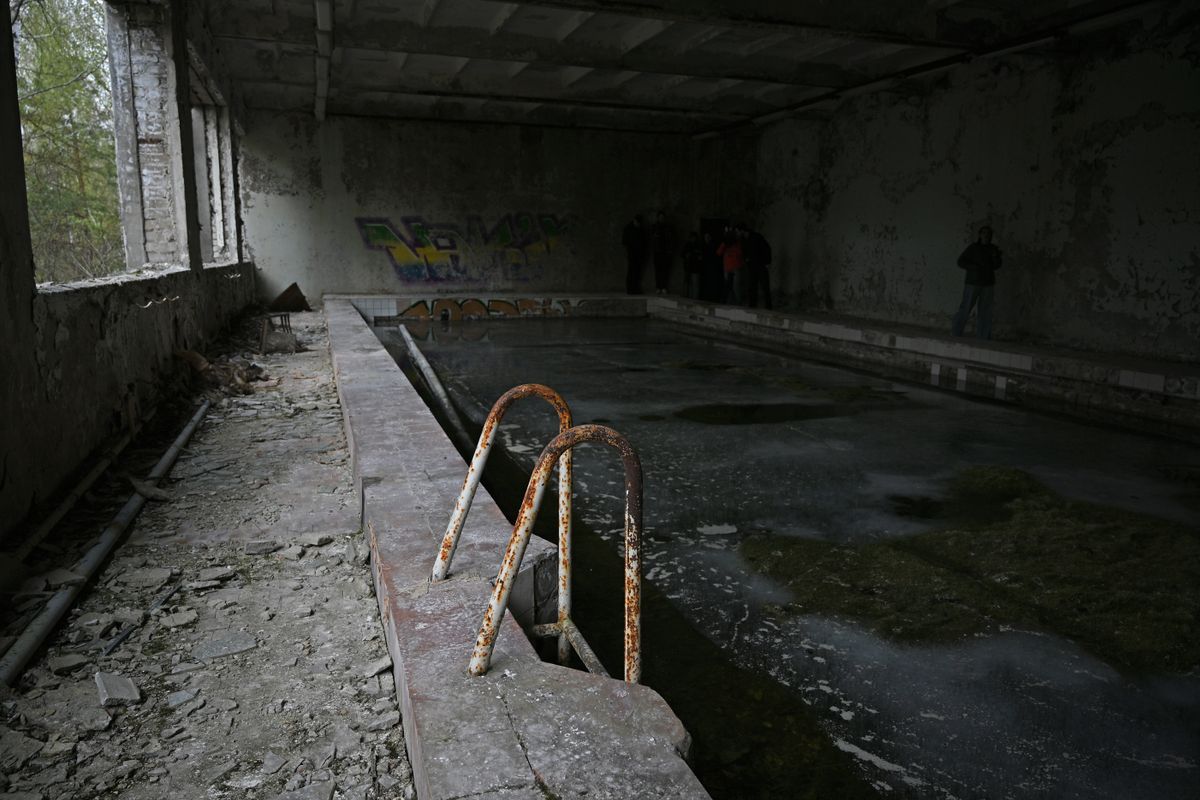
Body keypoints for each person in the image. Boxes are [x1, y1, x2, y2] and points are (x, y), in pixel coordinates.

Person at [951, 225, 1002, 339]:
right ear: (980, 235)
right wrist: (974, 268)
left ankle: (983, 337)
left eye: (988, 233)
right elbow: (960, 261)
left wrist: (995, 256)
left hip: (988, 283)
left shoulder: (993, 249)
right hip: (973, 282)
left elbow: (997, 265)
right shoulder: (973, 248)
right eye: (984, 233)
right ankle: (955, 333)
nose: (986, 235)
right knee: (965, 308)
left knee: (985, 311)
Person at [745, 227, 773, 309]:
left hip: (760, 265)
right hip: (754, 266)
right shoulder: (746, 240)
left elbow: (767, 248)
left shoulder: (756, 238)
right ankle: (753, 305)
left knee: (764, 286)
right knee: (754, 286)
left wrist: (767, 262)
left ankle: (767, 306)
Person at [716, 225, 745, 304]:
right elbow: (718, 252)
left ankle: (738, 304)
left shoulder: (737, 243)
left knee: (736, 287)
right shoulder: (726, 243)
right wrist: (724, 243)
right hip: (728, 268)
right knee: (729, 287)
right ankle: (730, 303)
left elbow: (740, 253)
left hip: (735, 267)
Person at [622, 215, 647, 295]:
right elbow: (625, 241)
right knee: (631, 271)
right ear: (634, 221)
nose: (638, 224)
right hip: (632, 253)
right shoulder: (628, 229)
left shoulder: (640, 229)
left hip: (639, 254)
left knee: (637, 272)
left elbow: (644, 242)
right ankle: (630, 289)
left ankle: (635, 288)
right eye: (637, 223)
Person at [651, 211, 674, 295]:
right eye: (660, 217)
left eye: (663, 217)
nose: (661, 219)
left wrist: (670, 250)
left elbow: (672, 239)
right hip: (657, 252)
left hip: (665, 252)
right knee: (658, 270)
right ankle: (658, 287)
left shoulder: (668, 227)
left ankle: (664, 287)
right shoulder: (654, 227)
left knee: (665, 270)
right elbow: (651, 239)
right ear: (658, 218)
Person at [681, 231, 703, 299]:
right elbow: (682, 254)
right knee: (688, 283)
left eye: (694, 237)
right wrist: (686, 255)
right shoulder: (687, 245)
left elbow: (700, 257)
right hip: (688, 267)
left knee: (695, 284)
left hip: (696, 268)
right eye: (691, 238)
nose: (693, 239)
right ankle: (688, 298)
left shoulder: (698, 245)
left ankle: (694, 299)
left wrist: (695, 257)